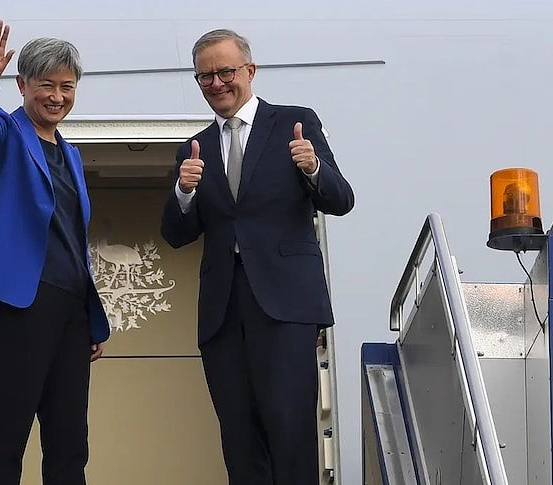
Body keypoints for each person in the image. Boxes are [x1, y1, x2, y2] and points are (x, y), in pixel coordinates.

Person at [160, 28, 354, 484]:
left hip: (286, 305)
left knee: (290, 433)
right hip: (223, 311)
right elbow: (174, 233)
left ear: (250, 70)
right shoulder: (196, 147)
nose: (216, 83)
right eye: (204, 76)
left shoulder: (294, 123)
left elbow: (341, 200)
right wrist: (183, 192)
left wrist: (313, 167)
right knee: (239, 439)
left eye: (225, 71)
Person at [0, 20, 109, 485]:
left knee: (69, 437)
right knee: (10, 427)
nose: (57, 95)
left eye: (67, 86)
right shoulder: (6, 134)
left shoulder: (71, 153)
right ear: (22, 85)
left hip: (69, 308)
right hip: (20, 301)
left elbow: (72, 237)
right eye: (46, 84)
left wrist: (87, 313)